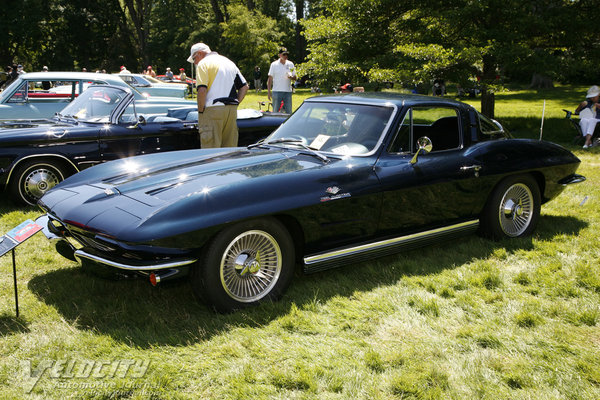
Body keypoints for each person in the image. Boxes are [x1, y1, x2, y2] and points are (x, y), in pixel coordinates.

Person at [187, 42, 249, 148]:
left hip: (212, 110)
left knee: (210, 152)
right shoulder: (229, 62)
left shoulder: (203, 64)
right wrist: (236, 103)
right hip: (231, 110)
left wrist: (201, 111)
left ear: (200, 53)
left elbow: (202, 90)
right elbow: (244, 86)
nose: (195, 63)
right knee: (229, 150)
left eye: (194, 59)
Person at [267, 48, 296, 113]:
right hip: (276, 91)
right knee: (275, 112)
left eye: (287, 54)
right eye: (284, 54)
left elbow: (295, 78)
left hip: (287, 92)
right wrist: (269, 92)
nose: (286, 56)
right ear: (279, 55)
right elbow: (270, 79)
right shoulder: (274, 64)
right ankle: (274, 123)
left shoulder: (290, 64)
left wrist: (291, 77)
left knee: (289, 112)